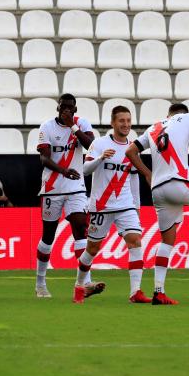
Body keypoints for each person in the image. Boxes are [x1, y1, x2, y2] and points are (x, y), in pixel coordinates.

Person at [125, 103, 189, 305]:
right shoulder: (188, 118)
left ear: (168, 115)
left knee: (167, 242)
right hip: (178, 182)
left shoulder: (154, 127)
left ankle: (158, 292)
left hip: (158, 191)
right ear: (183, 113)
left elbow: (130, 151)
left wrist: (147, 174)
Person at [77, 106, 151, 304]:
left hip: (125, 204)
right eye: (121, 121)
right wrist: (101, 158)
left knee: (135, 241)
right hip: (101, 205)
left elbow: (134, 178)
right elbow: (84, 169)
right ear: (113, 123)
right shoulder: (100, 144)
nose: (125, 124)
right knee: (92, 249)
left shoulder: (133, 148)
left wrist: (137, 206)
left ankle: (135, 292)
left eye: (128, 120)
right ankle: (79, 287)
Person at [34, 93, 103, 300]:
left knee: (81, 227)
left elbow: (92, 146)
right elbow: (44, 159)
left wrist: (73, 127)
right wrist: (63, 171)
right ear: (58, 108)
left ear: (75, 109)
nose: (66, 110)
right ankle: (40, 282)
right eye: (63, 106)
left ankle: (84, 282)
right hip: (52, 188)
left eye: (70, 107)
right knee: (48, 236)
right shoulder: (46, 127)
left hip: (76, 187)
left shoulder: (81, 123)